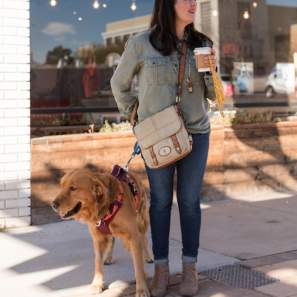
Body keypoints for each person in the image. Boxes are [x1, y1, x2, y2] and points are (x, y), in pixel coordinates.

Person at [111, 0, 217, 296]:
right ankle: (160, 269)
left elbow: (213, 96)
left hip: (196, 134)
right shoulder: (141, 44)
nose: (193, 3)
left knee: (189, 201)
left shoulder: (203, 43)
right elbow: (119, 84)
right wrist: (135, 117)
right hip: (157, 138)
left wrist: (211, 72)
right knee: (159, 202)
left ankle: (190, 268)